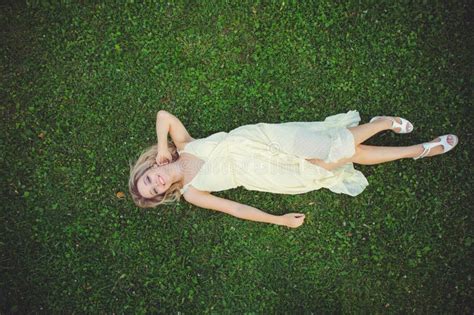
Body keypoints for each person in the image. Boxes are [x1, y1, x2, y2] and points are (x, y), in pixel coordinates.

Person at [128, 110, 458, 228]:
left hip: (265, 138)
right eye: (154, 190)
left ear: (147, 168)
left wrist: (161, 148)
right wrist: (278, 219)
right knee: (337, 158)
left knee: (332, 147)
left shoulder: (182, 145)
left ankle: (388, 127)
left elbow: (163, 116)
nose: (155, 182)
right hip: (266, 173)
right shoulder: (192, 193)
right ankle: (413, 149)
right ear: (162, 195)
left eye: (147, 179)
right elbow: (235, 207)